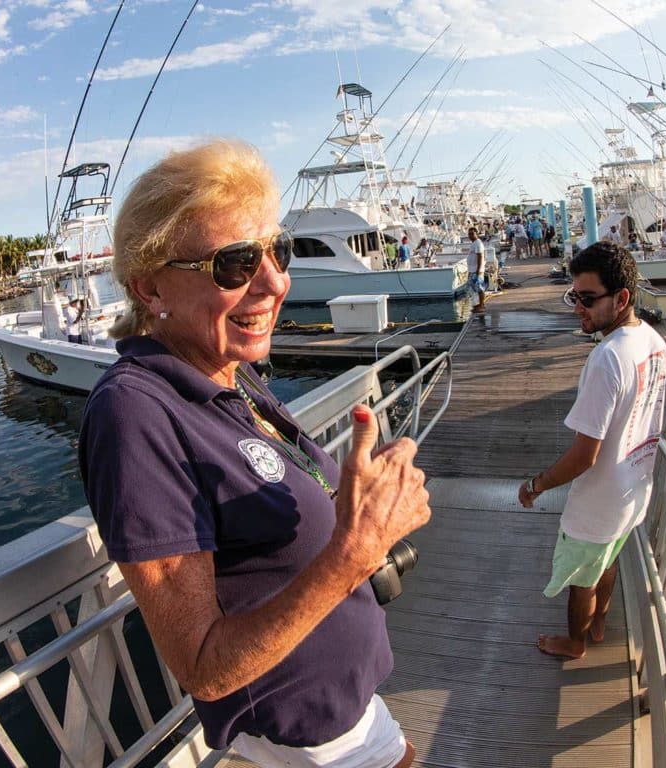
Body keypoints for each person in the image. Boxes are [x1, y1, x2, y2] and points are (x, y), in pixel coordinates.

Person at [79, 140, 430, 767]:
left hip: (347, 710)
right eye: (235, 264)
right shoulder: (133, 413)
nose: (275, 282)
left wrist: (362, 506)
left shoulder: (227, 371)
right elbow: (205, 667)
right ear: (149, 286)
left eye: (278, 250)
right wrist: (356, 551)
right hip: (304, 744)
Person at [518, 241, 666, 659]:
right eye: (574, 296)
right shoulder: (653, 341)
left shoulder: (607, 358)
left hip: (599, 501)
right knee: (608, 559)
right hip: (634, 490)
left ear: (622, 298)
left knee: (582, 578)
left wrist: (536, 484)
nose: (577, 308)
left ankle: (576, 642)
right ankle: (599, 623)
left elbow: (585, 456)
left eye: (587, 299)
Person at [468, 226, 487, 312]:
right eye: (469, 234)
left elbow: (480, 257)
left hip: (477, 270)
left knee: (480, 288)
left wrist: (478, 270)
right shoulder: (474, 243)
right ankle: (479, 304)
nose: (470, 236)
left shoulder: (478, 243)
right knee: (474, 287)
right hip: (472, 270)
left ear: (477, 234)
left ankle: (482, 305)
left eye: (472, 234)